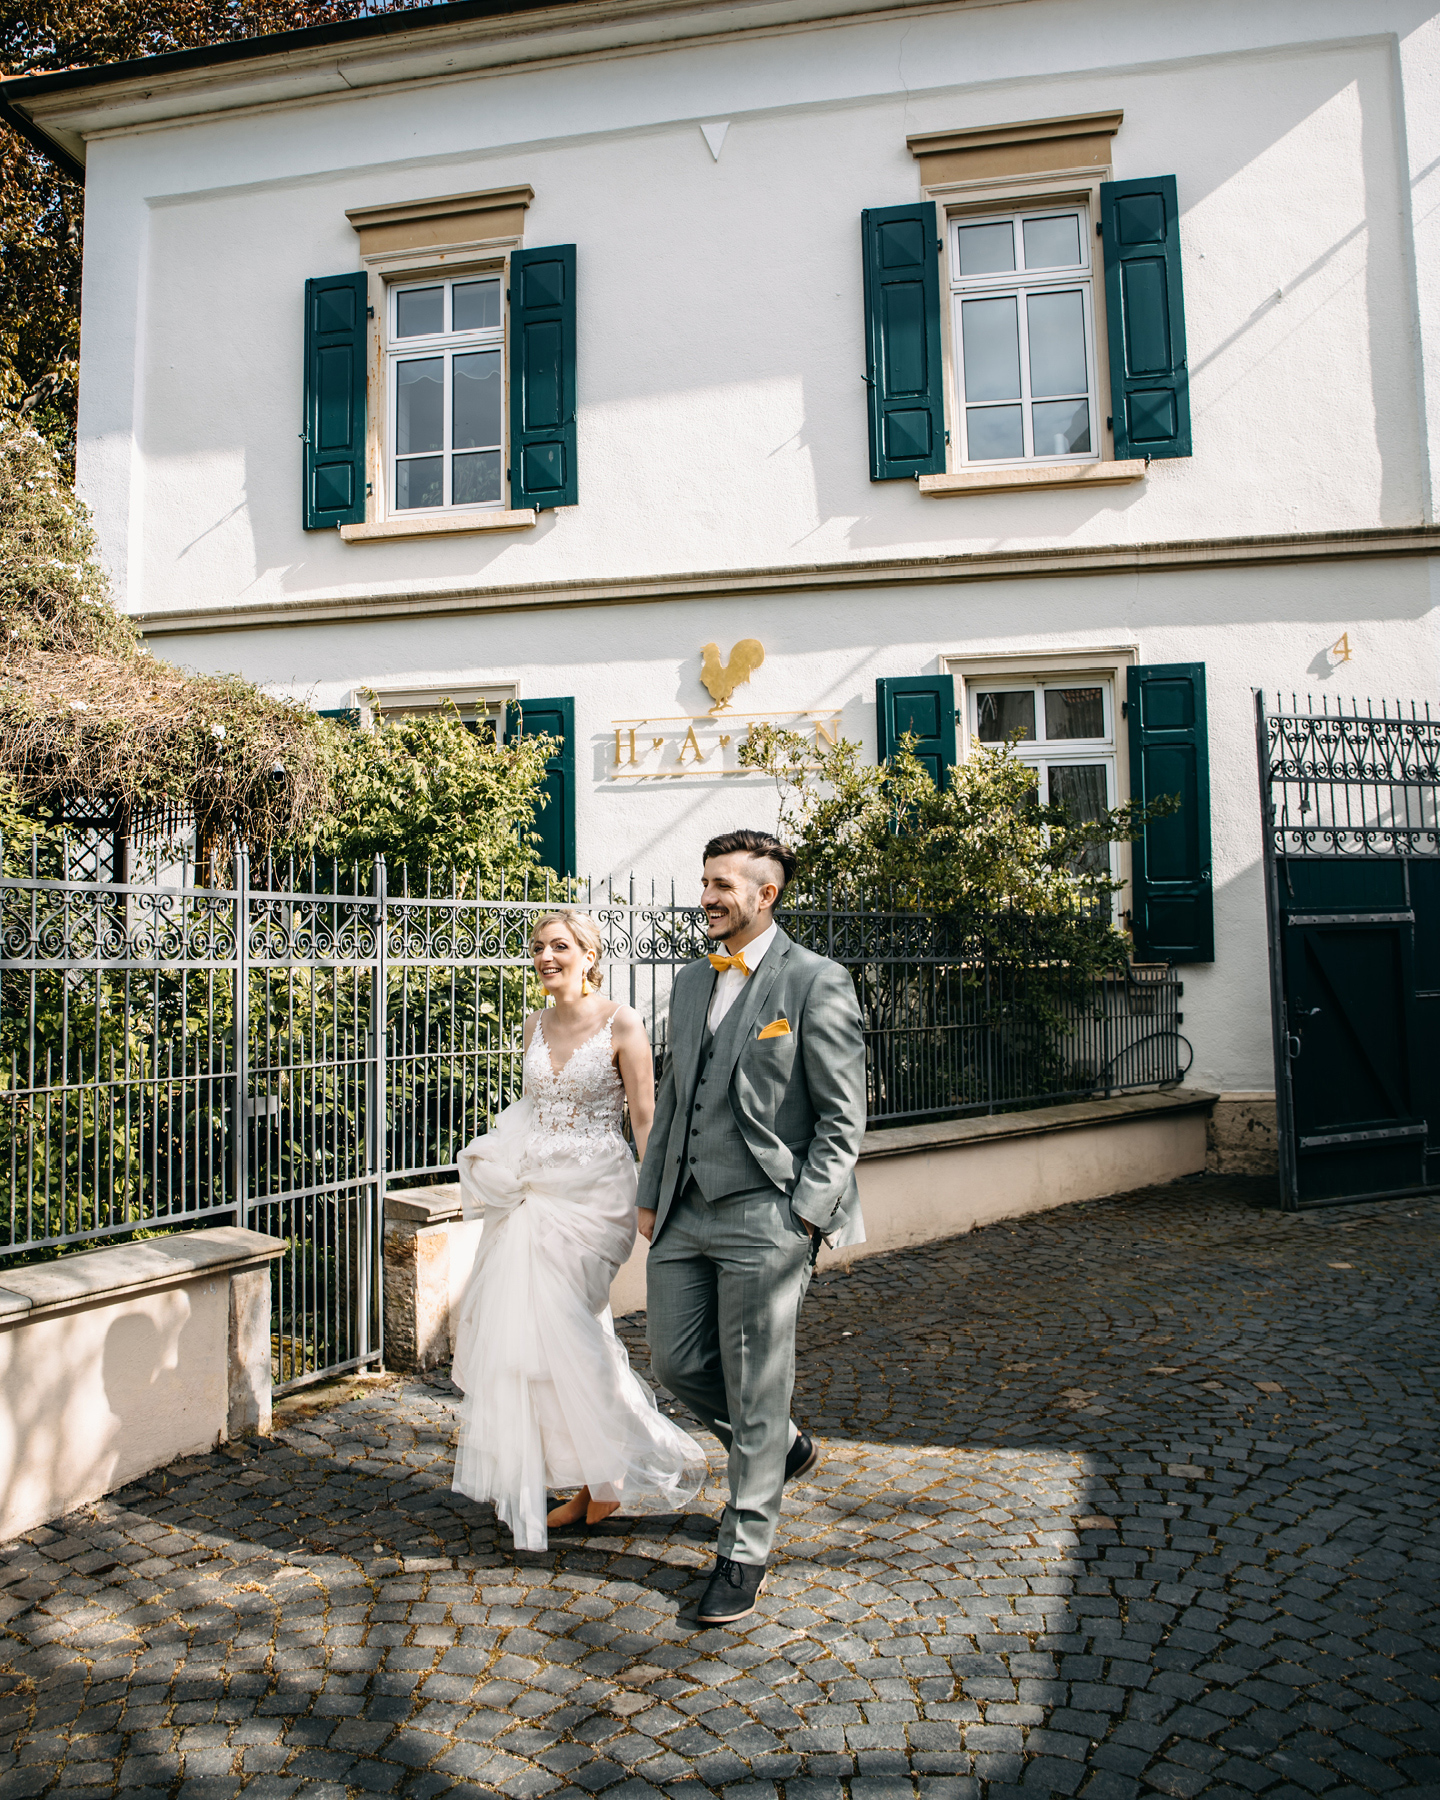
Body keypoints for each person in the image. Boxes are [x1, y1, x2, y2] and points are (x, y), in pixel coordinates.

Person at [639, 829, 868, 1625]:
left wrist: (805, 1212)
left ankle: (744, 1548)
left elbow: (843, 1118)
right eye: (705, 881)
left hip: (768, 1211)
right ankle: (782, 1448)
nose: (706, 896)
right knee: (673, 1360)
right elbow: (674, 1099)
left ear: (765, 896)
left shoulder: (816, 981)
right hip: (683, 1208)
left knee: (757, 1378)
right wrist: (649, 1192)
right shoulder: (690, 982)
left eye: (722, 885)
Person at [450, 909, 706, 1551]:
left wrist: (657, 1204)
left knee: (568, 1324)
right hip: (535, 1196)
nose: (545, 957)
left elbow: (645, 1121)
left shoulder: (624, 1023)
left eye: (559, 946)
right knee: (544, 1334)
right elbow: (533, 1111)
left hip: (600, 1199)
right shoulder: (532, 1025)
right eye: (537, 947)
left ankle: (620, 1459)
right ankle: (595, 1478)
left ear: (589, 955)